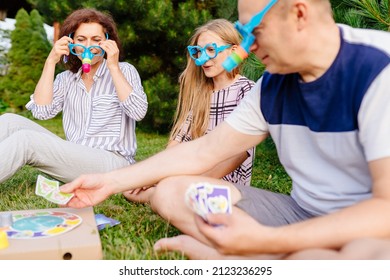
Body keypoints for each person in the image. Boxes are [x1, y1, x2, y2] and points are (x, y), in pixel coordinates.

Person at [61, 0, 390, 260]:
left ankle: (254, 255)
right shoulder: (272, 84)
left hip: (369, 228)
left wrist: (269, 239)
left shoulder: (378, 69)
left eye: (254, 32)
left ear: (299, 14)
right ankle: (276, 257)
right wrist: (110, 182)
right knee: (173, 193)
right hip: (298, 213)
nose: (245, 49)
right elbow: (206, 151)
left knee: (368, 256)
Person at [0, 8, 147, 184]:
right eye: (81, 39)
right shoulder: (66, 79)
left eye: (96, 40)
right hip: (76, 157)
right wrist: (50, 62)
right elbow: (41, 112)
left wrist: (113, 67)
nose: (88, 46)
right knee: (9, 120)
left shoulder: (124, 70)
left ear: (108, 43)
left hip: (114, 164)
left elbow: (138, 112)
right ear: (71, 43)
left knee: (26, 141)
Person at [123, 19, 255, 209]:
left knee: (172, 192)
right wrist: (154, 175)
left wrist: (189, 182)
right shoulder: (201, 93)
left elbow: (238, 155)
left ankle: (170, 195)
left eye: (211, 50)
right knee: (131, 189)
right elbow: (177, 143)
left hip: (224, 183)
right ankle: (168, 195)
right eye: (198, 52)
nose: (203, 58)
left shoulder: (246, 90)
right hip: (191, 173)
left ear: (233, 51)